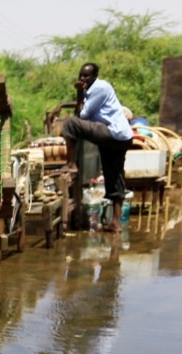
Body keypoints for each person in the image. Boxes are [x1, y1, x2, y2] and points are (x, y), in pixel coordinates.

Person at [60, 63, 134, 232]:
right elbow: (84, 106)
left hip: (113, 133)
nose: (82, 79)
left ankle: (71, 163)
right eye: (81, 75)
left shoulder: (100, 88)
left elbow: (81, 114)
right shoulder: (95, 90)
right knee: (114, 175)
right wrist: (63, 106)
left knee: (71, 124)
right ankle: (116, 223)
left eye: (86, 76)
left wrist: (78, 92)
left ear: (95, 76)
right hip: (121, 137)